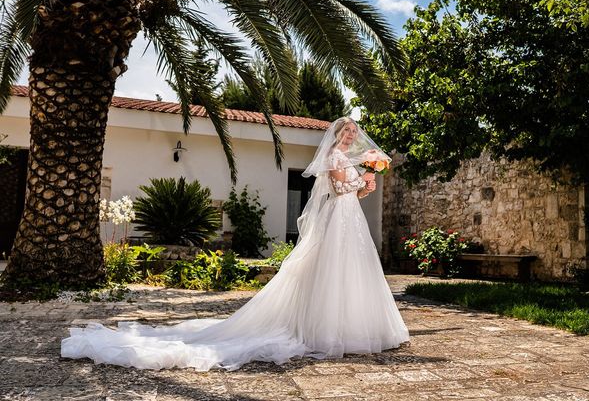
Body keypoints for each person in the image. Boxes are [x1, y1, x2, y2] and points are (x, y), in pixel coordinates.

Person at [61, 117, 409, 371]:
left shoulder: (350, 160)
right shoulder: (333, 157)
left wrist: (366, 186)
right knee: (332, 269)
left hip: (351, 220)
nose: (349, 136)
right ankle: (328, 329)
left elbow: (354, 192)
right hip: (336, 220)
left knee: (354, 271)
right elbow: (335, 190)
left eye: (352, 132)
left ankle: (357, 326)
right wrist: (358, 181)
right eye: (346, 131)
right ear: (337, 134)